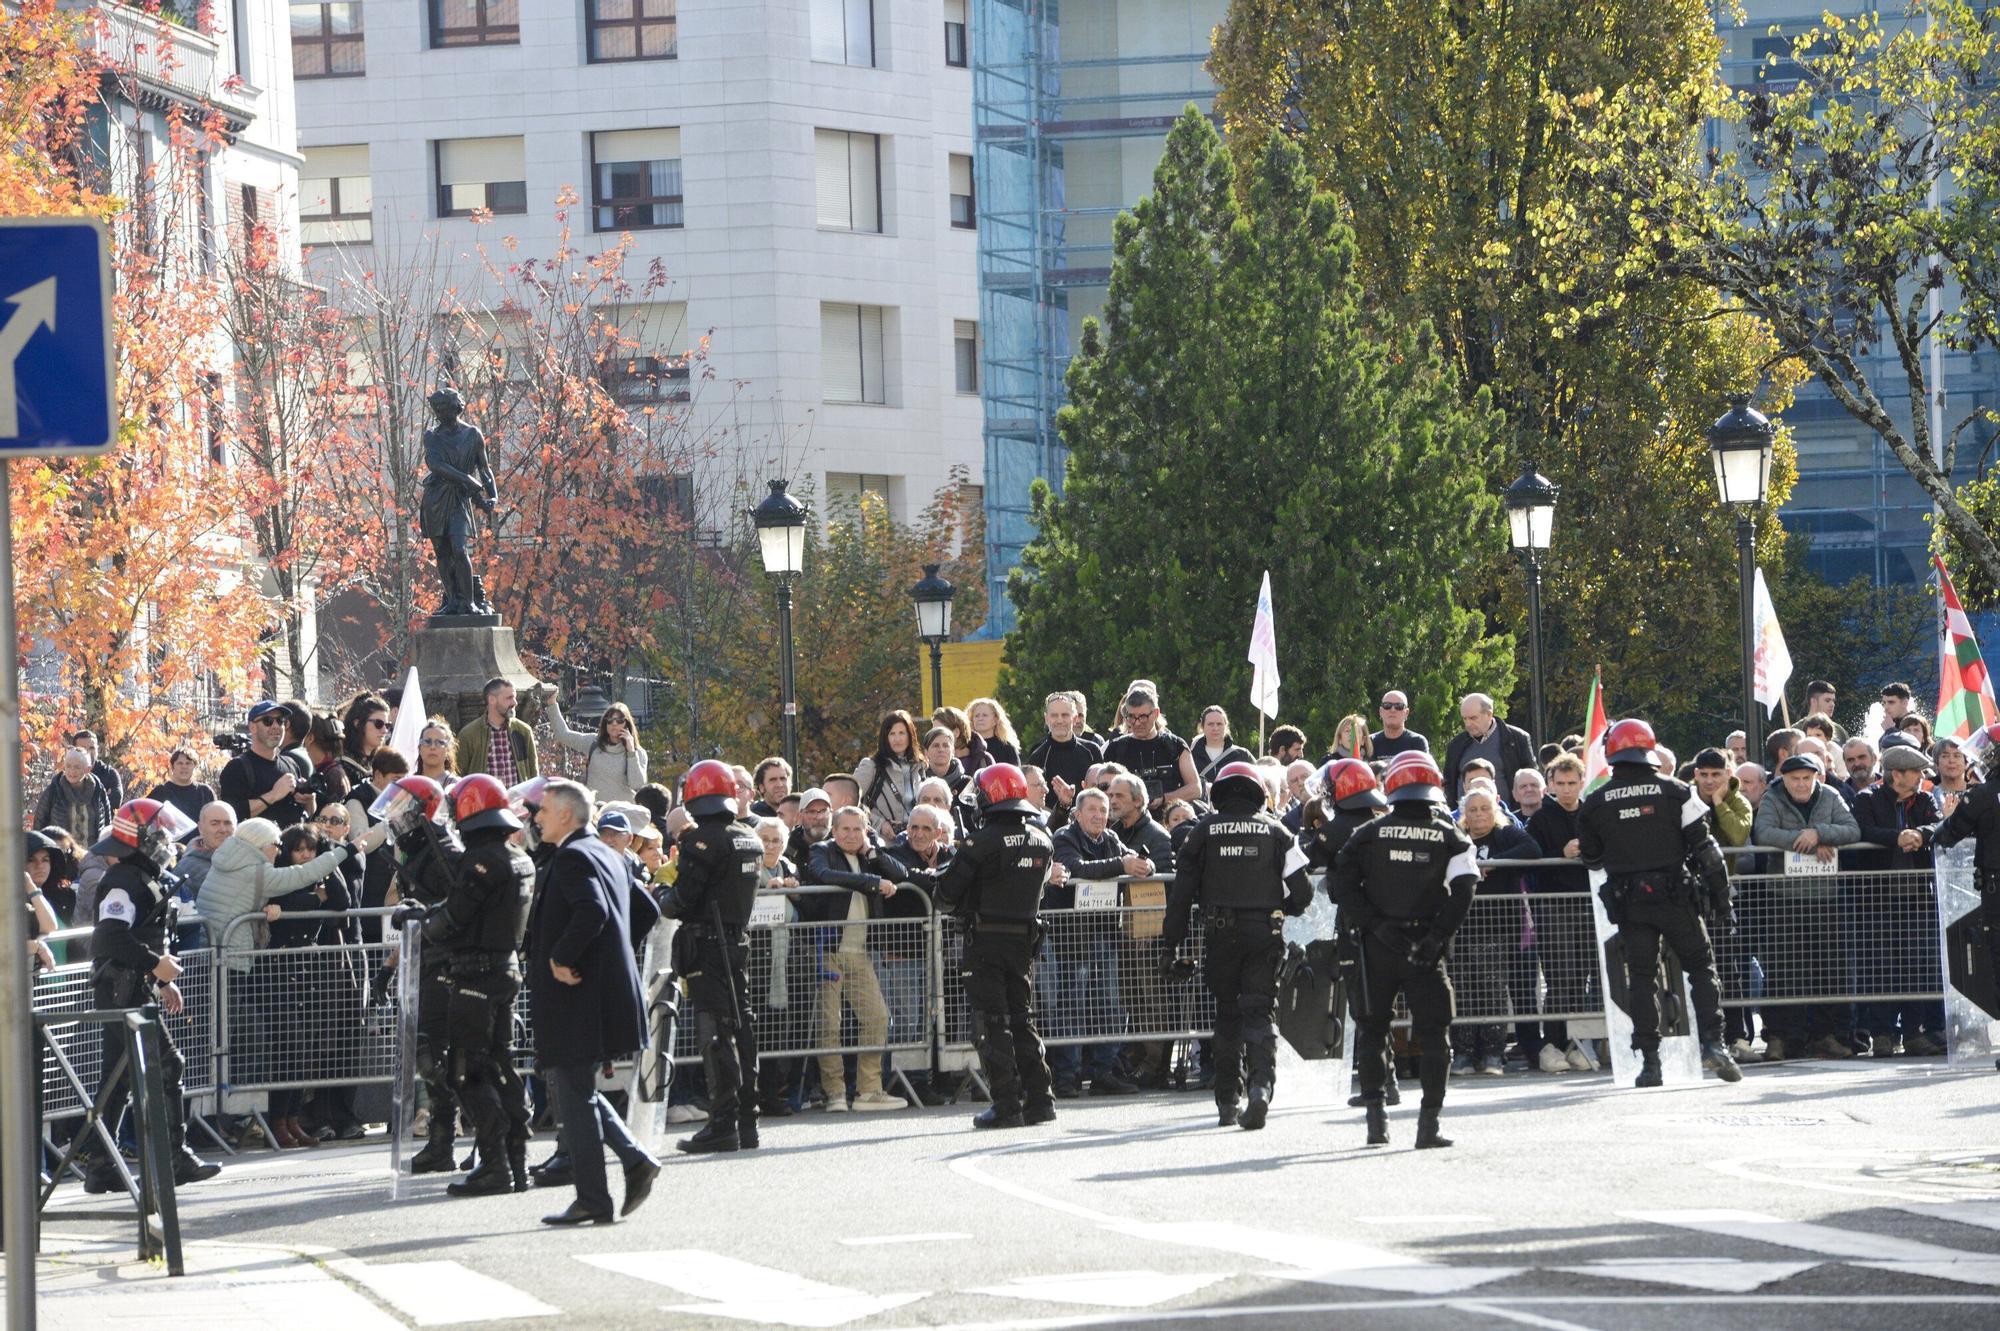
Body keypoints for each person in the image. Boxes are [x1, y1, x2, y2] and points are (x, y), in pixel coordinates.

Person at [526, 778, 663, 1225]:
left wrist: (563, 957)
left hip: (578, 993)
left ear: (566, 814)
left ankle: (594, 1197)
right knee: (577, 1089)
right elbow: (646, 911)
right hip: (600, 992)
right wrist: (613, 956)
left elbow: (593, 912)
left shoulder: (572, 856)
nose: (537, 817)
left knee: (574, 1096)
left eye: (544, 810)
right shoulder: (608, 853)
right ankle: (633, 1160)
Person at [1577, 718, 1742, 1087]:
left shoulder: (1595, 802)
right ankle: (1714, 1043)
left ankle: (1650, 1063)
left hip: (1630, 902)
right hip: (1677, 897)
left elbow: (1591, 858)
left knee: (1641, 978)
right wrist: (1723, 901)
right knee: (1701, 968)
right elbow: (1708, 852)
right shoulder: (1677, 791)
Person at [398, 774, 539, 1194]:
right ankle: (516, 1161)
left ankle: (496, 1163)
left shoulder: (481, 862)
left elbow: (454, 918)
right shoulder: (517, 857)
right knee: (501, 1066)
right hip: (503, 968)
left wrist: (419, 921)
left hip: (476, 974)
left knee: (468, 1071)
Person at [1330, 752, 1479, 1147]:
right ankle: (1428, 1126)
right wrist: (1436, 937)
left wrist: (1374, 924)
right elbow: (1464, 891)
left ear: (1391, 787)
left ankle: (1376, 1124)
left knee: (1373, 1032)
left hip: (1377, 947)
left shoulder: (1367, 834)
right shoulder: (1451, 835)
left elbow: (1339, 887)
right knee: (1435, 1036)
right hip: (1425, 949)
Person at [77, 799, 221, 1192]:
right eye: (158, 835)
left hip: (132, 986)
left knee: (119, 1078)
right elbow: (109, 937)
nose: (167, 842)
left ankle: (102, 1165)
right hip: (122, 989)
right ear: (140, 840)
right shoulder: (124, 878)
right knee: (166, 1066)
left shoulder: (139, 875)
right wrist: (156, 964)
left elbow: (138, 932)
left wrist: (159, 978)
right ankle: (174, 1158)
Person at [1161, 761, 1312, 1130]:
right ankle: (1261, 1089)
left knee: (1228, 1016)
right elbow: (1304, 892)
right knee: (1260, 1014)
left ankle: (1227, 1103)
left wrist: (1170, 947)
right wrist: (1282, 908)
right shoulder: (1277, 831)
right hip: (1265, 933)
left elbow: (1180, 896)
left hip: (1220, 935)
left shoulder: (1202, 832)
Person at [933, 764, 1059, 1129]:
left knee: (992, 1023)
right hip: (1023, 942)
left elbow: (946, 895)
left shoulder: (980, 841)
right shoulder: (1042, 839)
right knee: (1022, 1019)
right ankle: (1041, 1099)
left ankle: (1006, 1104)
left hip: (986, 940)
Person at [656, 760, 765, 1152]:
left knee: (714, 1032)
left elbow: (681, 900)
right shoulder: (748, 837)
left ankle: (723, 1121)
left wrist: (660, 898)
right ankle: (747, 1121)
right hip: (737, 942)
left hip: (709, 945)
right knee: (742, 1028)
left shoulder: (703, 841)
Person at [800, 808, 904, 1111]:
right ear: (834, 831)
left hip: (859, 952)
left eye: (857, 829)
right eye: (844, 829)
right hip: (826, 950)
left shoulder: (869, 853)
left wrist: (872, 852)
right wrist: (872, 882)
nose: (850, 835)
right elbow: (822, 875)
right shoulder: (822, 850)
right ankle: (835, 1092)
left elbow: (899, 874)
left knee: (877, 1017)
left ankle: (869, 1090)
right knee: (829, 1023)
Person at [1045, 788, 1146, 1098]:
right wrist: (1122, 866)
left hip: (1104, 935)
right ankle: (1067, 1075)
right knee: (1071, 1006)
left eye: (1103, 811)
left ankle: (1105, 1072)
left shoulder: (1110, 839)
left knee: (1111, 1006)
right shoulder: (1064, 837)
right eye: (1092, 810)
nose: (1099, 816)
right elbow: (1077, 869)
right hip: (1071, 939)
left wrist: (1144, 866)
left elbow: (1129, 861)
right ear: (1077, 813)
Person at [1851, 743, 1946, 1057]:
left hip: (1917, 899)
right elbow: (1862, 830)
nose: (1921, 777)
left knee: (1916, 966)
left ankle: (1914, 1032)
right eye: (1916, 772)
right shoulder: (1867, 798)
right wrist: (1896, 836)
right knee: (1880, 967)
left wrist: (1919, 833)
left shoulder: (1925, 799)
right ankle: (1882, 1033)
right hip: (1877, 900)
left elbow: (1938, 825)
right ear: (1896, 774)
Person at [1453, 788, 1540, 1077]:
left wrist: (1493, 863)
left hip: (1498, 928)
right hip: (1461, 928)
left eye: (1484, 808)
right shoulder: (1457, 837)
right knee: (1464, 994)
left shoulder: (1505, 835)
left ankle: (1492, 1053)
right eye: (1473, 809)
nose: (1479, 815)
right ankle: (1463, 1054)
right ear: (1464, 813)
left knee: (1492, 992)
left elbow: (1532, 850)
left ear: (1495, 810)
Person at [1525, 753, 1599, 1073]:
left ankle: (1576, 1042)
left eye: (1572, 783)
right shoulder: (1540, 818)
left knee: (1582, 975)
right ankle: (1553, 1041)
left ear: (1582, 782)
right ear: (1550, 784)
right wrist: (1561, 853)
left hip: (1588, 902)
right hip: (1553, 905)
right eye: (1560, 784)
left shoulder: (1592, 815)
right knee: (1560, 976)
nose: (1566, 790)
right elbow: (1532, 857)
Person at [1103, 687, 1200, 814]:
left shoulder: (1175, 746)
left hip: (1169, 821)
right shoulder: (1116, 748)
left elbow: (1195, 789)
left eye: (1143, 717)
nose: (1137, 723)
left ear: (1156, 713)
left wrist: (1165, 799)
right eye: (1131, 717)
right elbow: (1102, 789)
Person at [219, 700, 313, 829]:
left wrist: (309, 801)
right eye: (268, 721)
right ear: (253, 727)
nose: (275, 726)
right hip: (256, 847)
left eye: (280, 721)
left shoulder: (291, 764)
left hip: (292, 846)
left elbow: (307, 815)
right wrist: (273, 795)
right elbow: (231, 815)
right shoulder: (237, 767)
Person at [546, 697, 649, 804]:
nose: (614, 724)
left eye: (619, 720)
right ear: (605, 723)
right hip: (596, 813)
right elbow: (564, 735)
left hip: (623, 813)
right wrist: (552, 703)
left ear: (627, 724)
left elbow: (637, 784)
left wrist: (631, 752)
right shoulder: (594, 742)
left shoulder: (638, 752)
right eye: (610, 720)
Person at [1442, 693, 1536, 806]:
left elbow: (1531, 777)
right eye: (1464, 719)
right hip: (1465, 818)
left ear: (1489, 714)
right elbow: (1448, 782)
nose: (1468, 724)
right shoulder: (1456, 745)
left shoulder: (1517, 739)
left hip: (1507, 815)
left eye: (1473, 718)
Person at [1027, 692, 1103, 829]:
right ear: (1046, 719)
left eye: (1065, 715)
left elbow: (1104, 791)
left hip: (1090, 824)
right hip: (1052, 826)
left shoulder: (1092, 751)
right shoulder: (1038, 756)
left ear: (1074, 718)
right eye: (1054, 715)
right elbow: (1033, 800)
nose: (1060, 720)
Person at [854, 710, 923, 839]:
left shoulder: (920, 767)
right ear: (885, 738)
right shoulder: (872, 766)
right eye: (892, 734)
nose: (897, 739)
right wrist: (880, 824)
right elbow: (850, 801)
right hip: (881, 843)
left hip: (915, 842)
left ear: (910, 735)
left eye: (902, 733)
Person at [456, 677, 539, 785]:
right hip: (484, 800)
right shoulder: (468, 734)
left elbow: (533, 773)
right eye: (509, 698)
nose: (515, 703)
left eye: (515, 697)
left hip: (517, 800)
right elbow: (459, 776)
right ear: (492, 700)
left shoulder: (524, 731)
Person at [35, 748, 113, 847]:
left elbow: (107, 823)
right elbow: (39, 823)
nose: (72, 771)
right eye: (68, 766)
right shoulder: (53, 791)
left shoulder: (98, 790)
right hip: (62, 854)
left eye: (77, 767)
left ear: (87, 769)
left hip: (92, 856)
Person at [1190, 705, 1255, 793]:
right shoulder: (1190, 757)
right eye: (1210, 724)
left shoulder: (1242, 755)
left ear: (1226, 725)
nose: (1215, 728)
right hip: (1200, 805)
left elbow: (1257, 782)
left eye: (1219, 724)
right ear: (1202, 727)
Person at [148, 748, 216, 826]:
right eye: (180, 763)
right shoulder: (160, 792)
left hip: (201, 838)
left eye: (188, 763)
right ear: (172, 767)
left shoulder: (205, 792)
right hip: (171, 838)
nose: (184, 767)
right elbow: (145, 819)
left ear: (194, 766)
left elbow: (215, 820)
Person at [1370, 690, 1430, 759]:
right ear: (1380, 712)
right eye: (1387, 705)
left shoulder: (1417, 742)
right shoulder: (1370, 742)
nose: (1392, 710)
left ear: (1406, 713)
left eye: (1399, 706)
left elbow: (1424, 768)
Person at [969, 697, 1022, 768]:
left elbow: (1015, 774)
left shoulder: (1007, 748)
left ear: (995, 720)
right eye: (976, 716)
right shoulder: (967, 747)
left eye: (985, 715)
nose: (980, 719)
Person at [415, 717, 459, 784]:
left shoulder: (457, 786)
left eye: (440, 742)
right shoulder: (408, 785)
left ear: (447, 750)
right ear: (419, 748)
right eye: (427, 742)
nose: (432, 747)